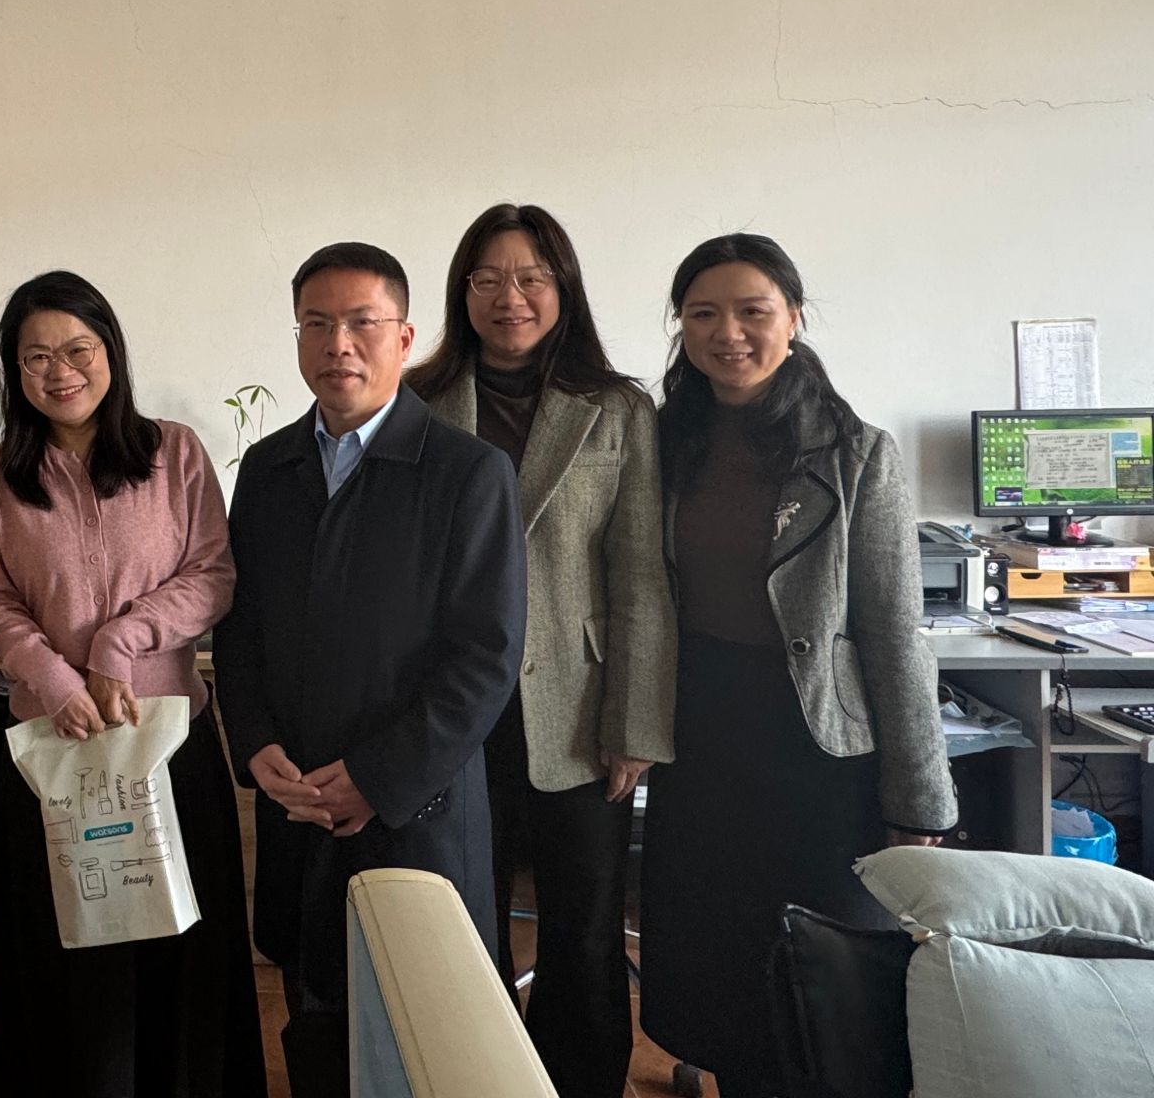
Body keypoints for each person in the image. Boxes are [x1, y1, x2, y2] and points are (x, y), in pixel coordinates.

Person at [639, 234, 955, 1098]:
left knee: (815, 975)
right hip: (700, 733)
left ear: (795, 318)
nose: (728, 333)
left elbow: (894, 632)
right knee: (715, 958)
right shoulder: (661, 444)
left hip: (816, 749)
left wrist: (918, 799)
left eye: (753, 311)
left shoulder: (856, 453)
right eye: (703, 314)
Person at [215, 242, 527, 1098]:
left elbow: (487, 657)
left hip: (413, 808)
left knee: (421, 1037)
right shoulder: (269, 471)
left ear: (405, 337)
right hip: (295, 801)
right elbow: (241, 630)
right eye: (316, 324)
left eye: (362, 322)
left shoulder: (468, 472)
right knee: (313, 1017)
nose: (338, 344)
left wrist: (376, 778)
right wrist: (256, 746)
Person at [0, 271, 267, 1098]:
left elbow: (213, 575)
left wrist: (118, 642)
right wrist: (55, 680)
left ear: (111, 351)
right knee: (72, 969)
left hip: (165, 747)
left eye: (78, 350)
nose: (60, 372)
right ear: (14, 372)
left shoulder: (174, 451)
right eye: (36, 358)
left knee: (179, 960)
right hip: (53, 755)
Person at [407, 204, 675, 1098]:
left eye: (530, 278)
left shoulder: (618, 408)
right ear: (462, 293)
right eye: (487, 279)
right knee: (461, 914)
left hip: (579, 707)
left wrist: (635, 723)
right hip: (451, 705)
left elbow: (639, 575)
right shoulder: (417, 402)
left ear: (563, 287)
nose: (509, 297)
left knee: (584, 929)